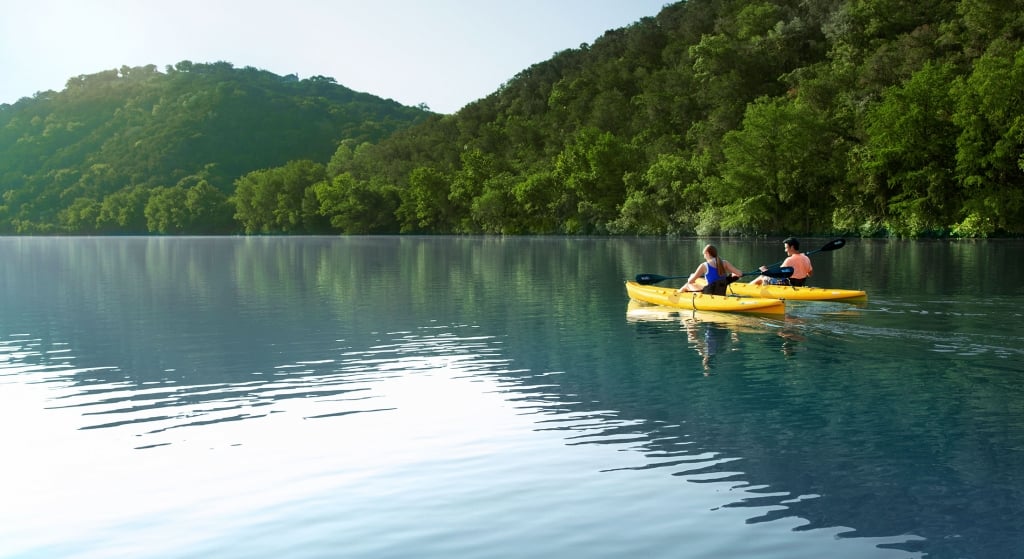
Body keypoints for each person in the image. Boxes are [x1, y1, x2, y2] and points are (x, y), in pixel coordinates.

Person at [677, 244, 743, 294]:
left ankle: (677, 294)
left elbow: (691, 281)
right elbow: (740, 274)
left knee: (688, 285)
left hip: (709, 294)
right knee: (697, 280)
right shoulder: (725, 263)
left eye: (704, 254)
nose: (704, 257)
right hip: (721, 292)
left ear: (707, 253)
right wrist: (734, 274)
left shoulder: (704, 265)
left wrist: (690, 279)